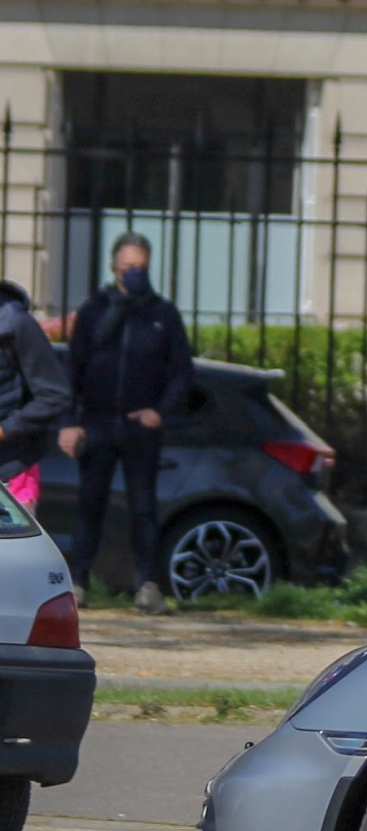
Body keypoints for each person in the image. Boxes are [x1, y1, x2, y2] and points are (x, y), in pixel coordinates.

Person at [57, 233, 194, 614]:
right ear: (115, 267)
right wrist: (69, 422)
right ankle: (79, 583)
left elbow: (182, 373)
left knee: (143, 508)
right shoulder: (95, 311)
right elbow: (73, 370)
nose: (136, 274)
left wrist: (159, 411)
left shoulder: (161, 314)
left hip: (139, 427)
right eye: (130, 266)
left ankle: (147, 587)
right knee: (89, 505)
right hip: (97, 422)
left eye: (143, 267)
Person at [0, 280, 69, 548]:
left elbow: (56, 395)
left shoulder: (16, 323)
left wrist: (5, 429)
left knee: (11, 578)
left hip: (11, 473)